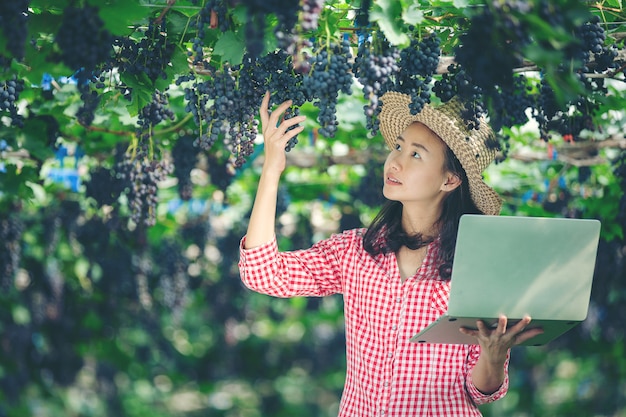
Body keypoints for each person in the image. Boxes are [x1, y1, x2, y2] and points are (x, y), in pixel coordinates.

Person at [238, 91, 543, 416]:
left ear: (450, 180)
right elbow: (264, 274)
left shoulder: (476, 267)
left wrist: (493, 356)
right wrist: (271, 171)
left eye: (416, 154)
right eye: (398, 147)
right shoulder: (354, 251)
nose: (395, 161)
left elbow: (478, 391)